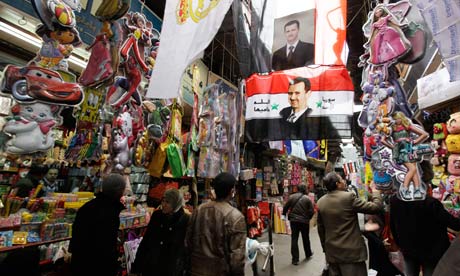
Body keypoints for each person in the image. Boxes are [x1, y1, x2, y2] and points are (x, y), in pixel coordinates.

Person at [317, 172, 383, 276]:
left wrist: (326, 250)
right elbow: (376, 207)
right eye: (342, 180)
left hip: (333, 254)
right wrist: (375, 192)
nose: (344, 181)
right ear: (337, 184)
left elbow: (321, 230)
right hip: (351, 253)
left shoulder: (321, 202)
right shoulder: (348, 197)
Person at [185, 172, 246, 276]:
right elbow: (237, 257)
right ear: (232, 191)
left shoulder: (199, 210)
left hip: (196, 270)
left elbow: (188, 242)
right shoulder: (236, 217)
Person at [69, 173, 127, 276]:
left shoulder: (87, 207)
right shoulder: (110, 212)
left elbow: (76, 238)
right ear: (119, 191)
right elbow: (106, 245)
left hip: (80, 264)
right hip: (98, 266)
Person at [389, 194, 460, 276]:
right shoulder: (431, 203)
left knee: (410, 273)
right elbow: (454, 224)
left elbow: (393, 225)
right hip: (431, 251)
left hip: (408, 249)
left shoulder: (395, 200)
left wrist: (400, 244)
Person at [130, 188, 190, 276]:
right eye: (163, 201)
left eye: (167, 202)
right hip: (152, 265)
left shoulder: (185, 220)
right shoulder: (157, 216)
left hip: (171, 268)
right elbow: (146, 241)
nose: (163, 205)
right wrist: (136, 267)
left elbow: (186, 249)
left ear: (175, 204)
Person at [381, 112, 429, 200]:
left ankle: (417, 190)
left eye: (397, 118)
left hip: (410, 149)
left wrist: (414, 142)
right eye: (394, 119)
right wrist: (393, 147)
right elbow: (383, 140)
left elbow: (424, 134)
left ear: (401, 118)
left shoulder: (407, 126)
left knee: (415, 170)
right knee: (412, 169)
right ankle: (405, 189)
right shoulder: (391, 128)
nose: (396, 121)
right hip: (400, 151)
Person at [282, 184, 314, 265]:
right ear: (304, 189)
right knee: (306, 238)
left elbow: (285, 207)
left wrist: (284, 215)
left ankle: (295, 259)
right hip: (304, 222)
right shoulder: (307, 199)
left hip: (294, 221)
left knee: (294, 239)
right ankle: (308, 253)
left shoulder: (292, 197)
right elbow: (311, 211)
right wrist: (308, 218)